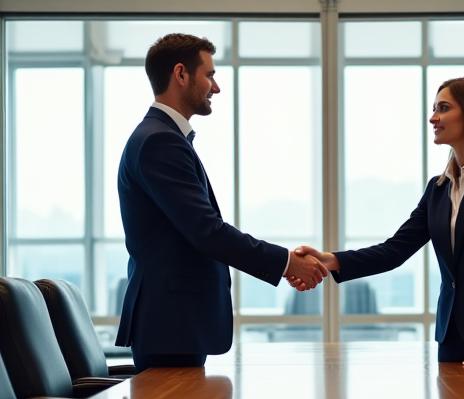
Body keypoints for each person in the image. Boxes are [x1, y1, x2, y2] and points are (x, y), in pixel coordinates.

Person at [293, 77, 464, 379]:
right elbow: (394, 250)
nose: (433, 117)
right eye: (434, 108)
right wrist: (331, 259)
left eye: (443, 108)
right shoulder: (438, 189)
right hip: (452, 340)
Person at [115, 33, 328, 371]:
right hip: (170, 327)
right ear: (181, 74)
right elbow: (207, 232)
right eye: (210, 75)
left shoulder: (162, 138)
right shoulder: (160, 142)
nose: (216, 87)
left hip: (174, 326)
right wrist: (287, 263)